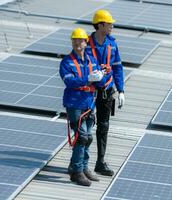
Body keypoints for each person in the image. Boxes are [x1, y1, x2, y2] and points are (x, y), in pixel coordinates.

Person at [59, 27, 110, 186]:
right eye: (74, 40)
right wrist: (88, 79)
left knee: (87, 138)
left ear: (85, 42)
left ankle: (83, 167)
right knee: (81, 137)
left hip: (89, 102)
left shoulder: (91, 60)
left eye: (80, 40)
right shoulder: (67, 62)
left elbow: (100, 82)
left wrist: (101, 76)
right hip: (74, 103)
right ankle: (76, 171)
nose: (76, 43)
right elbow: (69, 81)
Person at [86, 9, 125, 177]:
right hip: (88, 91)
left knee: (103, 126)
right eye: (109, 23)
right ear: (100, 25)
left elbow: (117, 68)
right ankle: (81, 164)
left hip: (106, 91)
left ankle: (100, 163)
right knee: (85, 127)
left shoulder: (112, 44)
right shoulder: (85, 43)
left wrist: (121, 90)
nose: (112, 26)